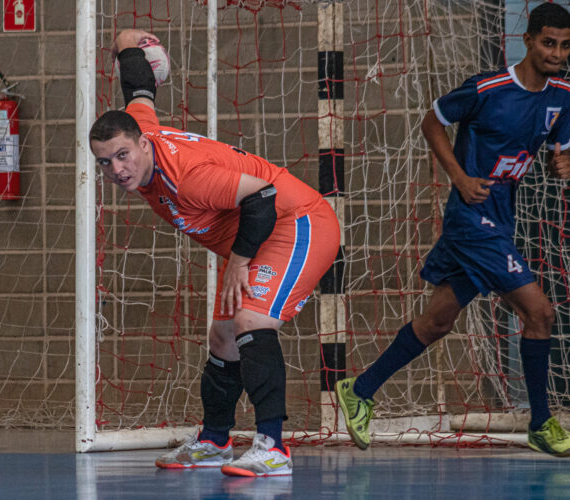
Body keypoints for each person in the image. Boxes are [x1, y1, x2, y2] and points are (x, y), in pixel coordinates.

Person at [89, 29, 340, 477]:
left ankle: (272, 449)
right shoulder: (139, 130)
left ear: (143, 145)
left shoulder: (187, 178)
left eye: (123, 156)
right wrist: (126, 42)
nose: (117, 169)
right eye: (105, 162)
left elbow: (262, 197)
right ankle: (214, 441)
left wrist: (238, 263)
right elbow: (138, 88)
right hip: (256, 233)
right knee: (223, 337)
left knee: (249, 321)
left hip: (297, 222)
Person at [337, 1, 570, 456]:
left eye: (564, 46)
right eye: (548, 43)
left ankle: (360, 390)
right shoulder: (488, 88)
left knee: (438, 321)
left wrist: (564, 161)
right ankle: (542, 423)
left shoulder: (562, 94)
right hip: (472, 216)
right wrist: (459, 178)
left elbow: (561, 149)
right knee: (539, 313)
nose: (557, 54)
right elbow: (433, 122)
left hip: (502, 213)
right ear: (528, 39)